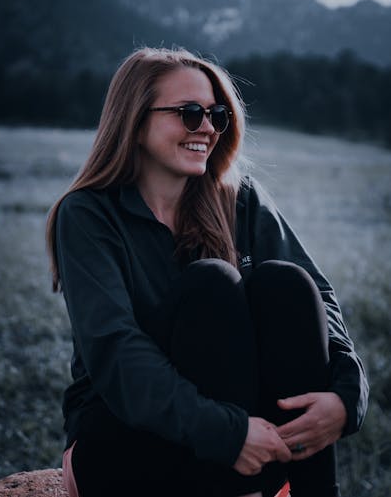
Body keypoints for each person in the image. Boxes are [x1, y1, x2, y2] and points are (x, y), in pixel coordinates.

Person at [46, 47, 368, 497]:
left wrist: (347, 396)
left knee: (287, 284)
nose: (208, 129)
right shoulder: (89, 215)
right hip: (127, 441)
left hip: (243, 446)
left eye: (217, 114)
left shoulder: (239, 198)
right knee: (212, 284)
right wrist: (227, 432)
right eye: (189, 112)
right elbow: (116, 353)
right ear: (134, 121)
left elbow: (319, 297)